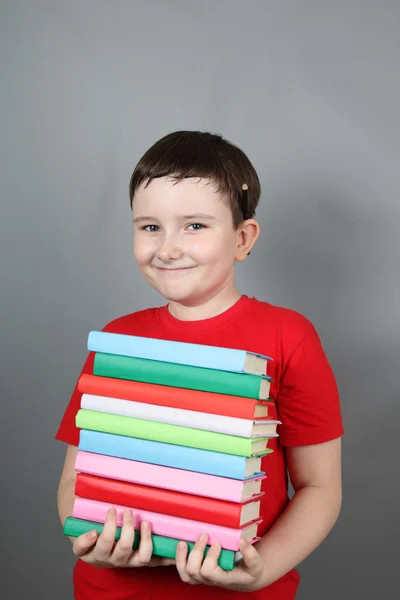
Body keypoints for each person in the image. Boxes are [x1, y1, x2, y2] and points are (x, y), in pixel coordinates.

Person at [55, 130, 344, 600]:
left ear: (242, 238)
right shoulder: (118, 338)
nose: (167, 248)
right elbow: (76, 476)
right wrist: (85, 539)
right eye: (150, 227)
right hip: (110, 589)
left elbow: (321, 486)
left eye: (194, 226)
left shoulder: (288, 337)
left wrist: (264, 567)